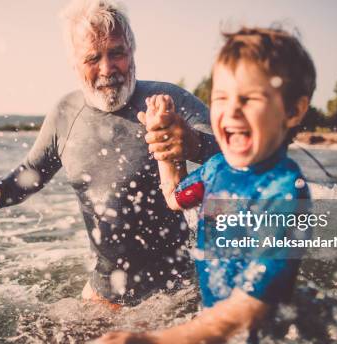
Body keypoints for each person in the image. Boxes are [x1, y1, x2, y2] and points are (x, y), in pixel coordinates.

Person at [0, 0, 218, 307]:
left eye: (117, 53)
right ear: (74, 64)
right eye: (92, 58)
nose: (107, 69)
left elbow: (235, 152)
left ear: (132, 52)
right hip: (105, 296)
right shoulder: (64, 115)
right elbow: (31, 174)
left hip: (179, 294)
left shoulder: (167, 101)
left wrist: (191, 143)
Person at [98, 26, 316, 343]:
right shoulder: (215, 169)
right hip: (212, 328)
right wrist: (162, 145)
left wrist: (157, 340)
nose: (231, 110)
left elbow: (251, 308)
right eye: (221, 97)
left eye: (250, 98)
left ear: (294, 110)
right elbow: (174, 197)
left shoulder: (284, 191)